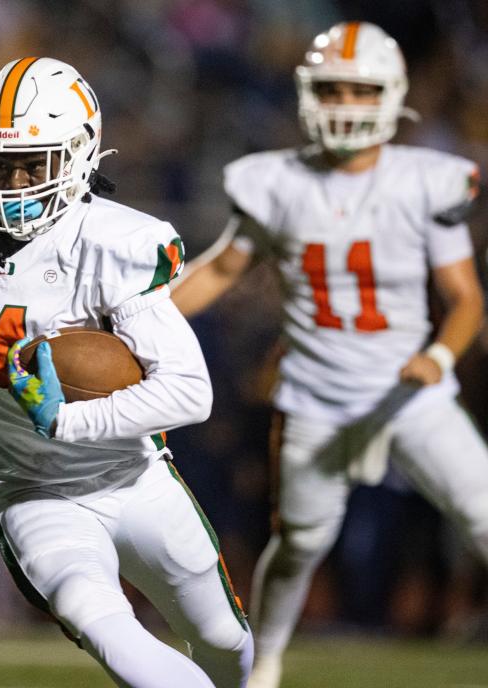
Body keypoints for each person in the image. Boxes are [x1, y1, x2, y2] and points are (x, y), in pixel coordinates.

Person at [0, 56, 253, 688]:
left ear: (79, 156)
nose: (13, 181)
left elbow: (191, 390)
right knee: (109, 631)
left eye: (33, 162)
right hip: (30, 492)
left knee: (225, 641)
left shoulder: (112, 243)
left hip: (132, 478)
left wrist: (66, 418)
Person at [169, 21, 487, 688]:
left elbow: (465, 299)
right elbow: (222, 269)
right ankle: (267, 660)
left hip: (410, 393)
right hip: (315, 395)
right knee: (300, 545)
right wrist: (141, 315)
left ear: (391, 95)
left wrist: (439, 357)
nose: (344, 102)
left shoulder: (428, 180)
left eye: (359, 89)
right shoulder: (276, 181)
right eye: (331, 88)